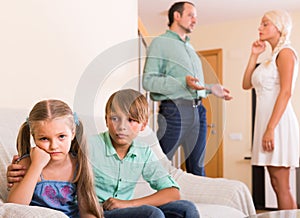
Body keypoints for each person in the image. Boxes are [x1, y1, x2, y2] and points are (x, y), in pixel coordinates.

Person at [7, 89, 200, 218]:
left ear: (143, 125)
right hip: (99, 210)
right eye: (115, 118)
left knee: (186, 209)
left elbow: (174, 192)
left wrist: (128, 204)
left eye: (131, 120)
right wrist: (27, 166)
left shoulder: (143, 152)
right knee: (152, 214)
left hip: (119, 208)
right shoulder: (85, 149)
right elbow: (57, 159)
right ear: (106, 119)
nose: (122, 127)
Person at [142, 1, 232, 176]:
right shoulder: (160, 43)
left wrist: (211, 89)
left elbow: (191, 85)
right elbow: (148, 82)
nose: (195, 20)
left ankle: (199, 204)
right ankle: (154, 201)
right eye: (191, 15)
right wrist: (182, 81)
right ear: (177, 16)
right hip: (175, 111)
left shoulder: (189, 47)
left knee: (197, 168)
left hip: (198, 110)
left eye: (196, 17)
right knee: (160, 165)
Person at [6, 99, 103, 217]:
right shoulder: (28, 163)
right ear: (34, 137)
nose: (54, 146)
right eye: (44, 139)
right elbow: (14, 206)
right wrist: (36, 165)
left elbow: (86, 210)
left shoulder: (78, 164)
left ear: (73, 134)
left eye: (61, 136)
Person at [242, 10, 299, 209]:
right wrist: (254, 54)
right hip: (268, 124)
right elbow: (246, 83)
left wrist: (270, 128)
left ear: (279, 27)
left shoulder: (286, 53)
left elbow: (286, 93)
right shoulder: (269, 58)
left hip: (278, 124)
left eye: (265, 24)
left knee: (281, 185)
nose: (260, 28)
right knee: (276, 182)